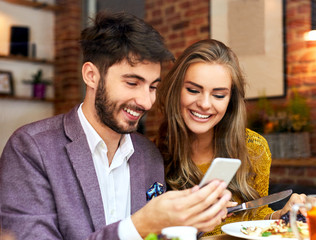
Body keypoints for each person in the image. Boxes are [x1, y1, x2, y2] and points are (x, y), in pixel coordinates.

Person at [0, 12, 232, 240]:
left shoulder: (149, 154)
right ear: (91, 75)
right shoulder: (30, 148)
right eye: (132, 83)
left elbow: (158, 236)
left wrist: (191, 223)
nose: (146, 101)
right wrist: (140, 225)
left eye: (152, 87)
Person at [156, 39, 306, 236]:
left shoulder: (253, 148)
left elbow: (255, 216)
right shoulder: (154, 155)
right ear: (176, 90)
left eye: (219, 95)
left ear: (230, 101)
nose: (204, 104)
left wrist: (281, 217)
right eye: (193, 90)